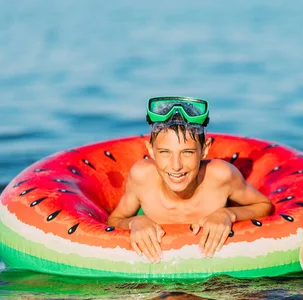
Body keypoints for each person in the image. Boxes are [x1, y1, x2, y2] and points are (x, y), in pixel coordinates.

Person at [107, 96, 274, 263]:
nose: (176, 165)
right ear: (151, 151)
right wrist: (135, 222)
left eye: (187, 152)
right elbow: (114, 221)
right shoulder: (142, 177)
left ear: (204, 150)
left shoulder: (221, 176)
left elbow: (264, 206)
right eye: (165, 152)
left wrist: (228, 214)